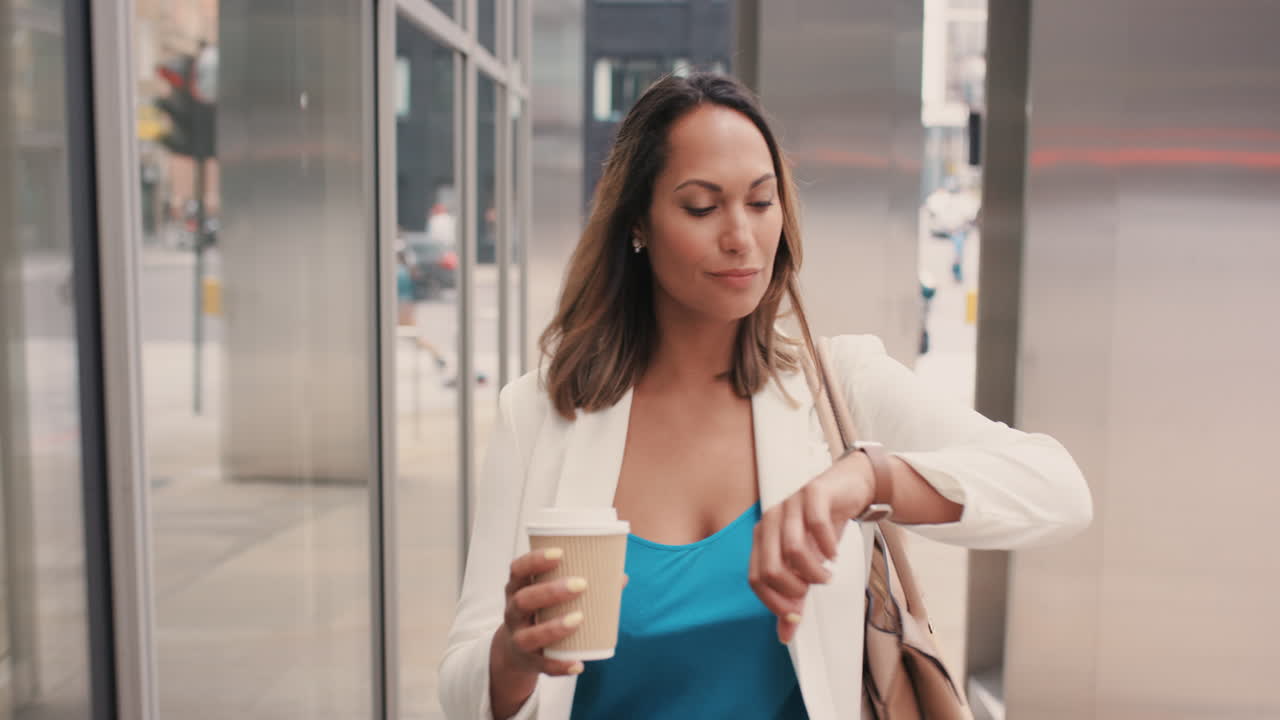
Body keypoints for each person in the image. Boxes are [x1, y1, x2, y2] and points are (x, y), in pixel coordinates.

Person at [438, 73, 1092, 720]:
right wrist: (511, 657)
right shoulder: (540, 416)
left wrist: (868, 478)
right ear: (637, 222)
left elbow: (1058, 490)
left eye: (760, 202)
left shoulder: (839, 384)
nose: (741, 237)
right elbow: (462, 687)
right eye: (702, 207)